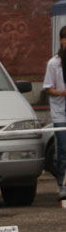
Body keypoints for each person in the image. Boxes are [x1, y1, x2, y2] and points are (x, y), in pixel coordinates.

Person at [43, 25, 66, 201]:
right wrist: (62, 93)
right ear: (61, 40)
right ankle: (61, 185)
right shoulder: (54, 63)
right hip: (60, 112)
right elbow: (47, 88)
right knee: (63, 149)